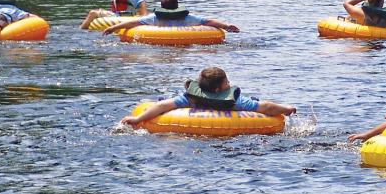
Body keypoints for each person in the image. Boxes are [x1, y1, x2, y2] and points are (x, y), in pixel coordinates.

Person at [120, 67, 296, 126]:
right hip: (233, 125)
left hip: (191, 122)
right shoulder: (235, 102)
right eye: (227, 83)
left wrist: (138, 119)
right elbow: (266, 107)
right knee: (255, 100)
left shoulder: (190, 99)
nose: (229, 85)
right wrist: (286, 109)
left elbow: (163, 106)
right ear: (219, 90)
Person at [100, 0, 239, 35]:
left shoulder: (154, 17)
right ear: (178, 6)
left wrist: (113, 28)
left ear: (161, 8)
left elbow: (132, 23)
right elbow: (209, 22)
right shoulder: (187, 17)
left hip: (158, 43)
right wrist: (227, 26)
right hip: (188, 42)